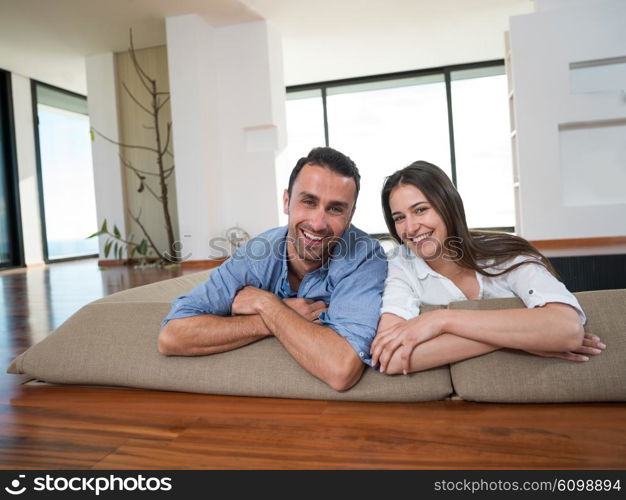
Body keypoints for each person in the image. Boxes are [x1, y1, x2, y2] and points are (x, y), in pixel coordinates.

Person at [159, 147, 387, 391]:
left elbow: (340, 369)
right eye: (308, 201)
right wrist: (270, 315)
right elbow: (172, 336)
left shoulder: (365, 256)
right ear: (287, 201)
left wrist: (266, 305)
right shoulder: (256, 253)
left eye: (335, 209)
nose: (318, 223)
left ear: (350, 215)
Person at [371, 161, 605, 375]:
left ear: (448, 206)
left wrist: (442, 320)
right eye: (399, 217)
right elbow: (390, 359)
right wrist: (520, 338)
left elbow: (567, 330)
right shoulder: (399, 266)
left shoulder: (506, 254)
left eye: (421, 210)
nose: (410, 228)